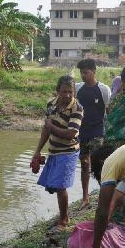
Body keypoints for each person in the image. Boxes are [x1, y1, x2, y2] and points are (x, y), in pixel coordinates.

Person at [32, 75, 84, 230]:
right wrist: (37, 151)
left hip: (68, 151)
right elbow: (45, 130)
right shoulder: (51, 104)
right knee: (55, 186)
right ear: (58, 91)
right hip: (54, 150)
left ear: (74, 92)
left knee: (61, 186)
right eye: (64, 91)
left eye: (71, 92)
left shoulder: (77, 108)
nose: (68, 95)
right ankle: (62, 216)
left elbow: (70, 134)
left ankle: (64, 220)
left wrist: (50, 126)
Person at [75, 59, 111, 210]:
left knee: (99, 164)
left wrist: (109, 133)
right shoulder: (77, 88)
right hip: (82, 131)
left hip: (98, 131)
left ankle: (105, 195)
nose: (83, 75)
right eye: (81, 72)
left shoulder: (103, 90)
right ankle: (85, 198)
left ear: (94, 72)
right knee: (84, 164)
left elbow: (109, 112)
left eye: (86, 72)